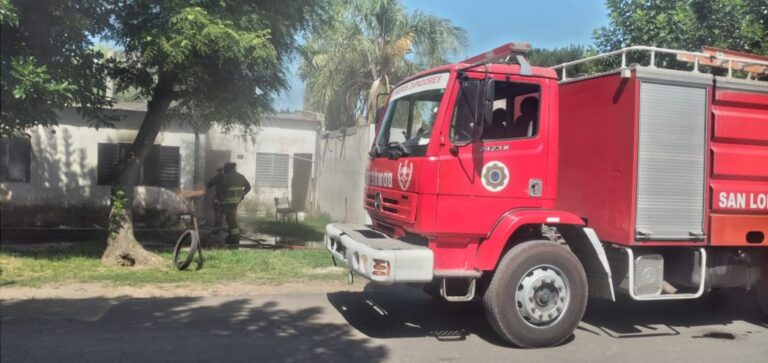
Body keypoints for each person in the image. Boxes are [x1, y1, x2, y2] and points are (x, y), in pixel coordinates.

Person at [216, 162, 251, 245]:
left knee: (231, 220)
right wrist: (242, 195)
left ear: (227, 169)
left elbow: (220, 189)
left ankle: (235, 237)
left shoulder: (225, 177)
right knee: (230, 218)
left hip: (228, 201)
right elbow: (248, 187)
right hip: (236, 201)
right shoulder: (241, 176)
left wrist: (220, 198)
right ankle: (232, 235)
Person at [205, 167, 224, 234]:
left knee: (218, 214)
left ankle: (217, 230)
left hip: (219, 198)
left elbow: (209, 185)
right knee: (229, 215)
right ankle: (230, 231)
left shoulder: (218, 177)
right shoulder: (229, 177)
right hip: (229, 199)